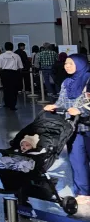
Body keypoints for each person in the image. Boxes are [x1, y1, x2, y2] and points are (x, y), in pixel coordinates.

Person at [41, 54, 90, 205]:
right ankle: (83, 191)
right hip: (73, 126)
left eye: (70, 63)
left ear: (80, 64)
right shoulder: (67, 82)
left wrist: (82, 110)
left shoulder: (88, 80)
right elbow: (62, 101)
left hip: (87, 124)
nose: (67, 66)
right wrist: (55, 106)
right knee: (77, 159)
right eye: (66, 64)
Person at [0, 42, 24, 111]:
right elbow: (20, 67)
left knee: (6, 88)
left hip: (4, 73)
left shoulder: (2, 55)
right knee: (14, 89)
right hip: (14, 73)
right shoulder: (16, 56)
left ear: (5, 48)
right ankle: (13, 105)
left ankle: (7, 103)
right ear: (12, 47)